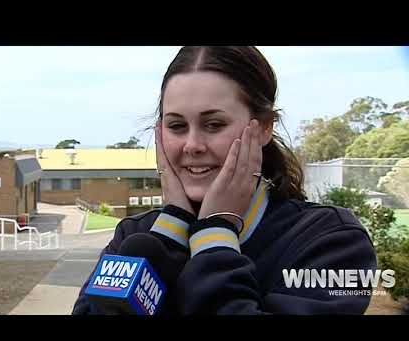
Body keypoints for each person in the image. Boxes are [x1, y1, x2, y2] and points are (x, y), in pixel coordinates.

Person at [72, 46, 377, 315]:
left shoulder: (333, 241)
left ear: (264, 128)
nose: (192, 145)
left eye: (214, 124)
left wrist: (215, 234)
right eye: (176, 126)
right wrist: (168, 234)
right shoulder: (135, 235)